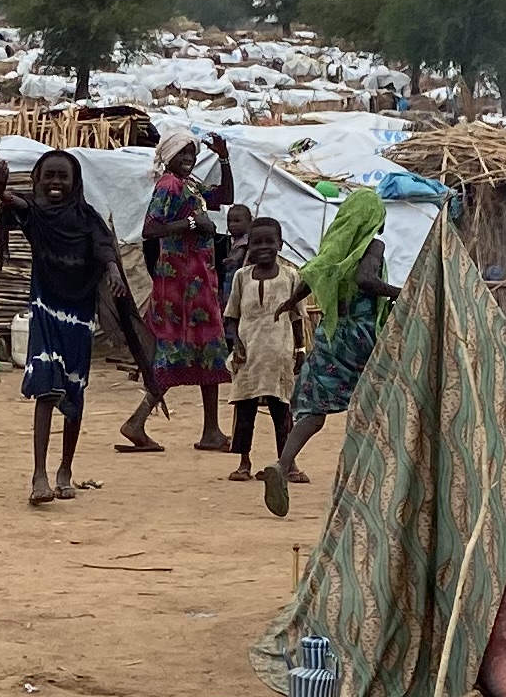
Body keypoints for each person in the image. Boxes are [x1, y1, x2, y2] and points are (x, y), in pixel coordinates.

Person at [0, 149, 120, 507]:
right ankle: (39, 475)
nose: (56, 182)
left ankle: (65, 470)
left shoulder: (88, 218)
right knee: (47, 386)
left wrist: (112, 270)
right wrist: (0, 193)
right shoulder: (37, 216)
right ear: (37, 179)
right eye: (50, 175)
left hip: (79, 315)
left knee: (74, 392)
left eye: (64, 176)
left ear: (76, 182)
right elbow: (18, 206)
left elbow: (104, 247)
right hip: (45, 309)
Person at [260, 184, 391, 516]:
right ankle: (366, 481)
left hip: (332, 334)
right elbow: (366, 280)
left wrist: (292, 300)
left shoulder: (335, 246)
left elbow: (315, 273)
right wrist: (401, 291)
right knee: (377, 403)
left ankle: (283, 463)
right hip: (362, 335)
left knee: (315, 410)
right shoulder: (372, 246)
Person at [120, 133, 238, 456]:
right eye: (182, 152)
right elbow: (150, 229)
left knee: (208, 349)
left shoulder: (191, 185)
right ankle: (138, 420)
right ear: (169, 155)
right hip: (179, 285)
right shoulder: (168, 186)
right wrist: (190, 223)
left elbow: (225, 197)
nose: (189, 157)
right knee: (176, 351)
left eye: (192, 152)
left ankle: (211, 429)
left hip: (198, 282)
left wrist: (224, 158)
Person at [222, 210, 310, 481]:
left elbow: (297, 317)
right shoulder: (241, 278)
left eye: (269, 242)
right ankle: (243, 462)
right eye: (257, 243)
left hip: (279, 356)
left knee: (281, 411)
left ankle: (287, 464)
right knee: (244, 410)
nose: (263, 248)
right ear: (249, 245)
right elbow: (232, 316)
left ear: (280, 245)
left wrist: (300, 349)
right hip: (249, 356)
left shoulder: (291, 277)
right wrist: (235, 344)